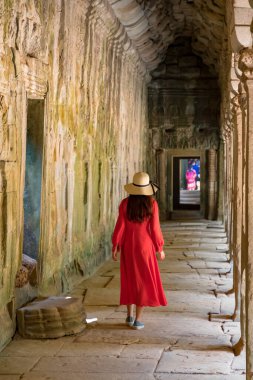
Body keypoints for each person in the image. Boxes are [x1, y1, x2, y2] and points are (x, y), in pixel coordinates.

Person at [111, 171, 167, 330]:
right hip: (145, 247)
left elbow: (120, 226)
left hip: (128, 245)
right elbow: (155, 228)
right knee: (142, 280)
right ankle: (138, 319)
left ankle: (128, 315)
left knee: (128, 278)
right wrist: (159, 247)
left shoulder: (124, 203)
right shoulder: (152, 204)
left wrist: (115, 245)